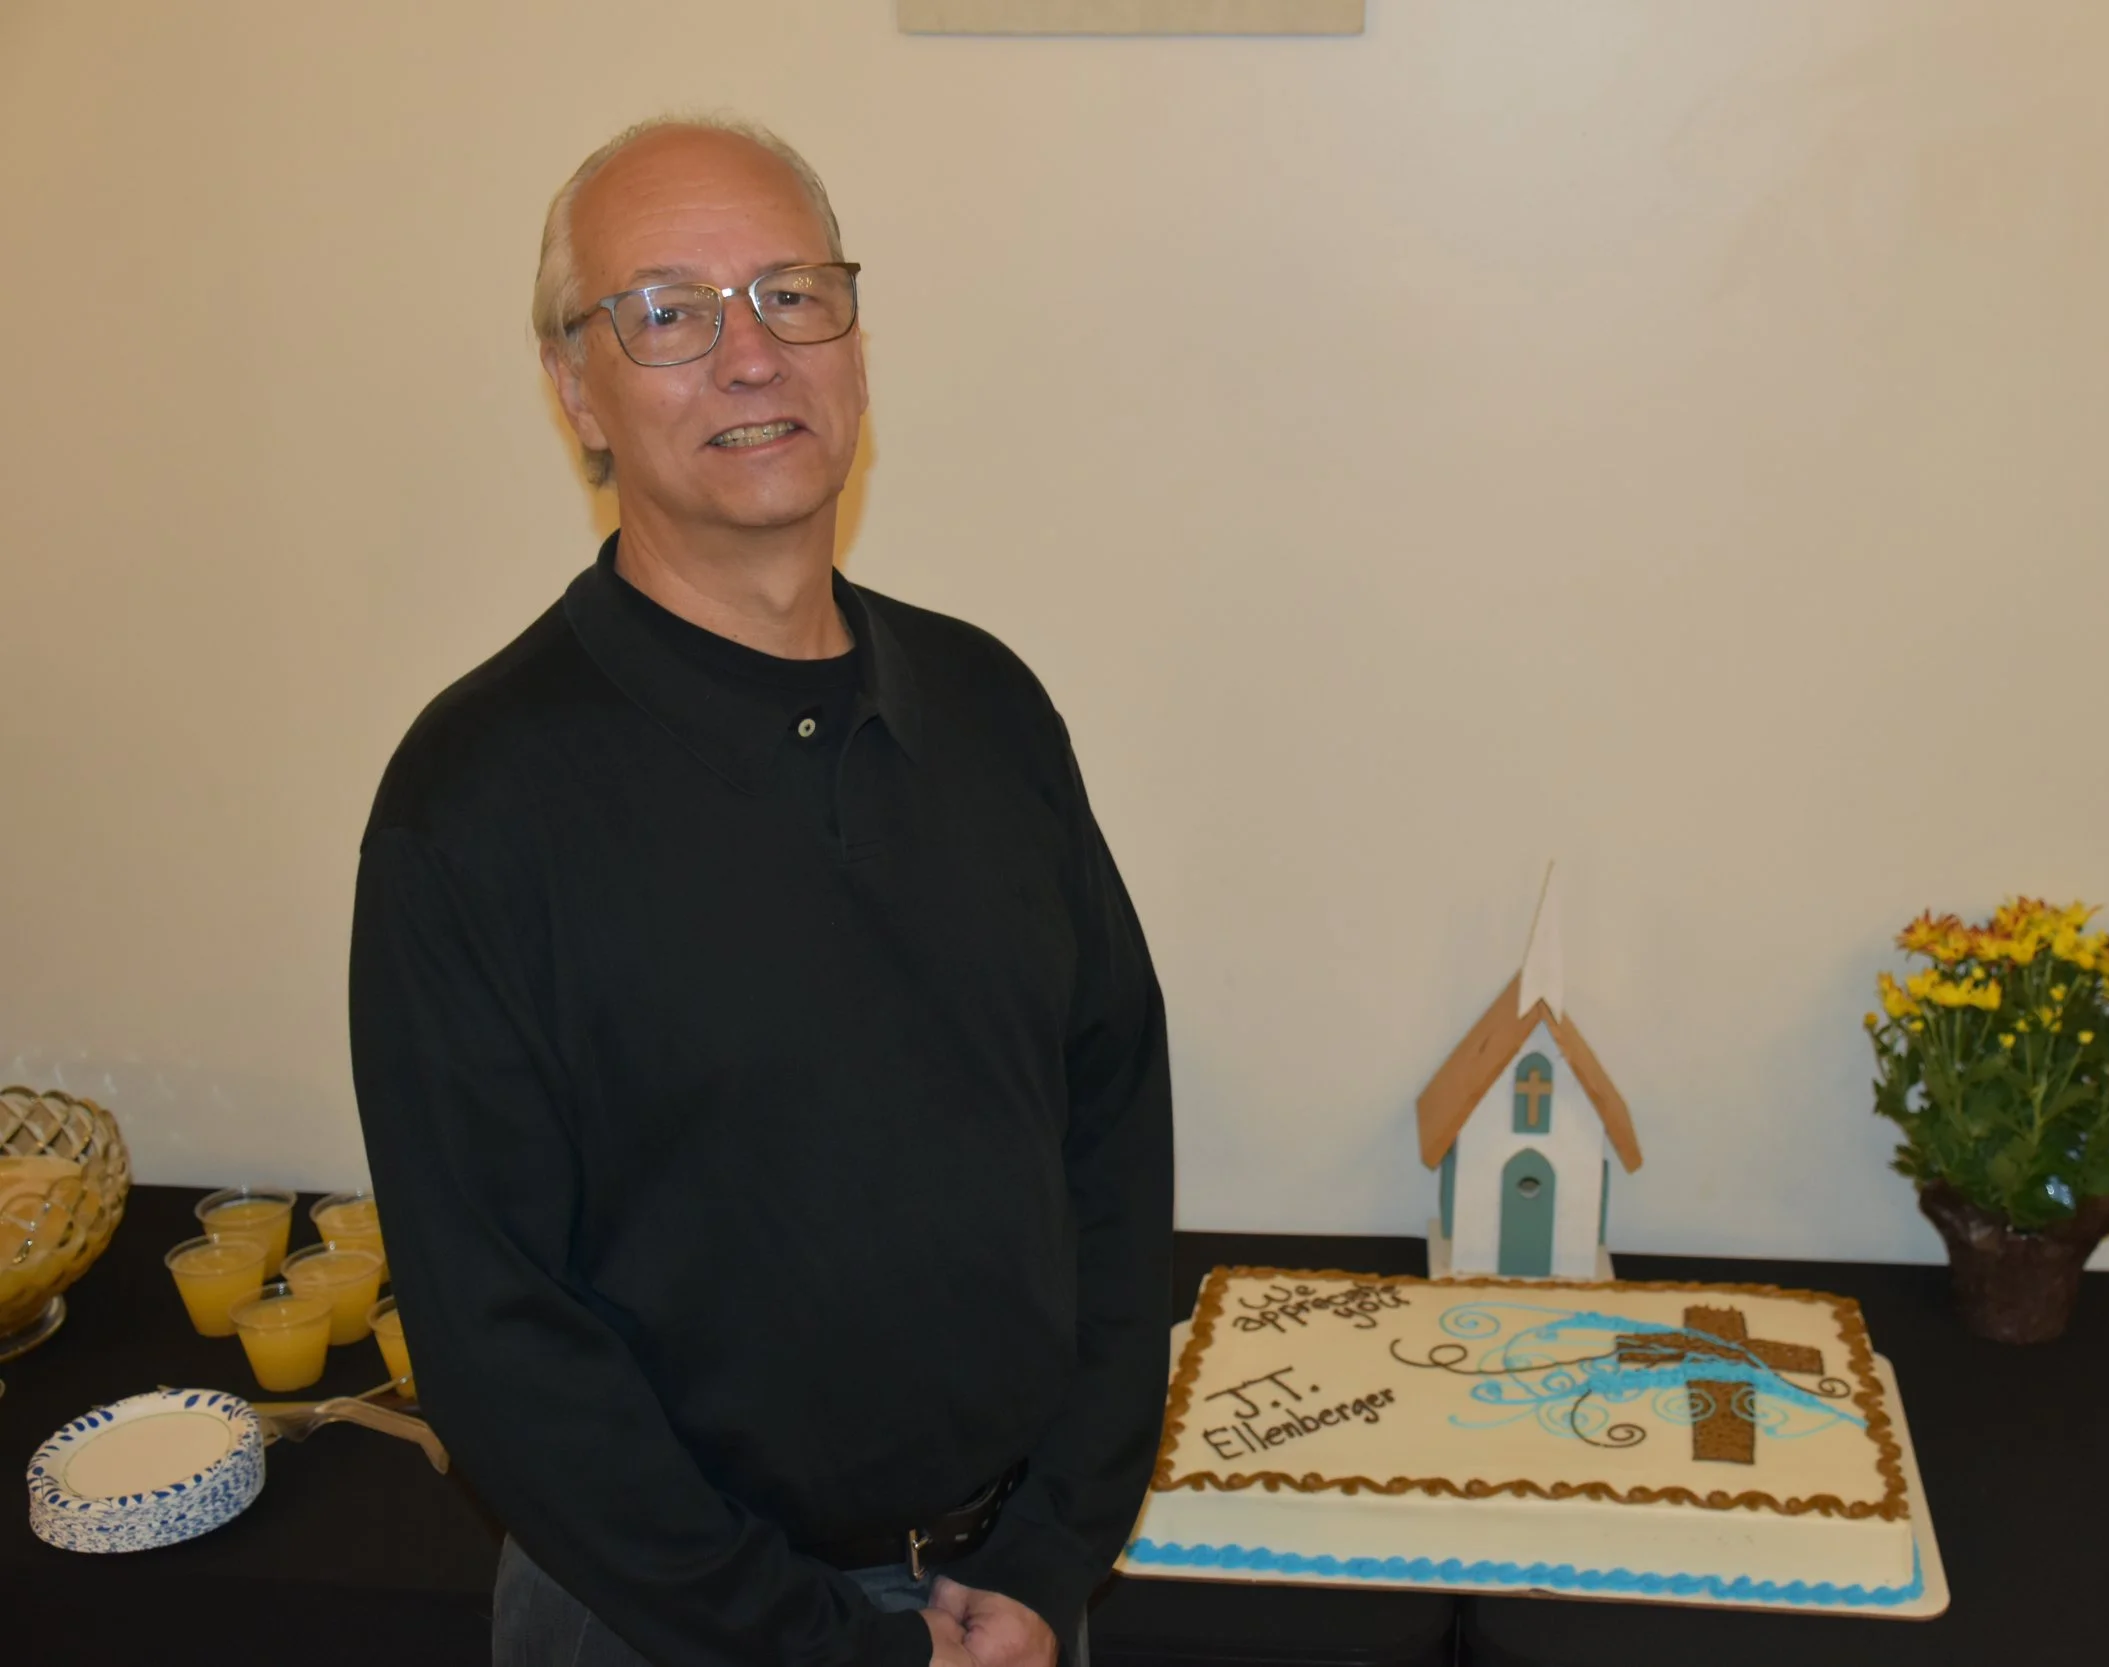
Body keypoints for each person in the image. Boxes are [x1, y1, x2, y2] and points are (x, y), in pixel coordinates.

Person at [347, 115, 1174, 1667]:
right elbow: (496, 1337)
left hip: (1011, 1600)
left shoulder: (990, 708)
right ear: (575, 388)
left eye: (793, 294)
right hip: (672, 1625)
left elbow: (1115, 1134)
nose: (751, 355)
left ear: (853, 341)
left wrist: (1051, 1549)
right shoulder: (474, 802)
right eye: (668, 311)